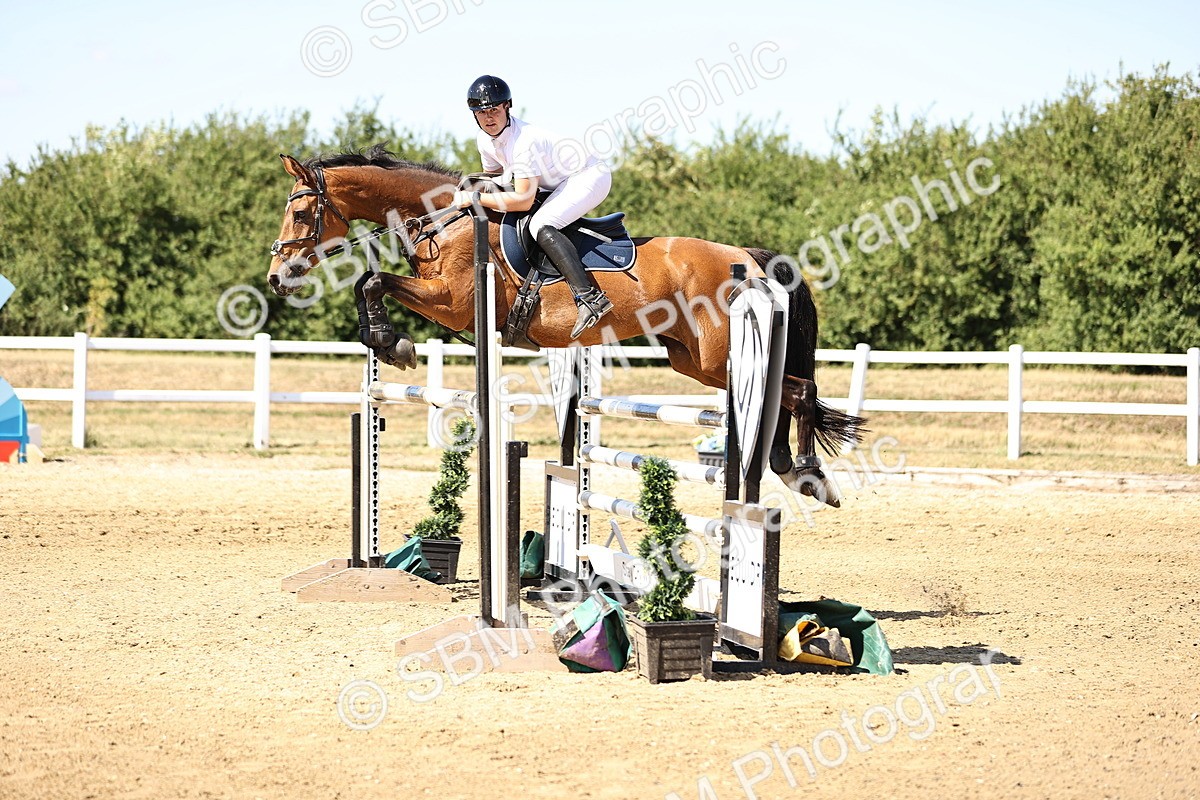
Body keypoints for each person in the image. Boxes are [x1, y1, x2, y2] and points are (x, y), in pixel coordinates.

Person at [451, 74, 613, 339]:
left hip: (588, 175)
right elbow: (493, 177)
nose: (488, 117)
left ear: (507, 107)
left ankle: (590, 298)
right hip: (555, 182)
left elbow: (523, 198)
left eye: (493, 109)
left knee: (541, 223)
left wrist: (474, 200)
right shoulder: (484, 140)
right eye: (481, 112)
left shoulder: (524, 142)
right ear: (474, 115)